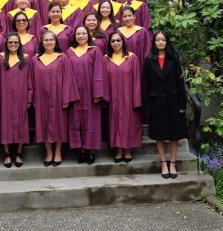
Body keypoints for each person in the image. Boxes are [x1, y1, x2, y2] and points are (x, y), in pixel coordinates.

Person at [142, 31, 188, 179]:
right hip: (156, 103)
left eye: (163, 40)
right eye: (157, 40)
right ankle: (163, 163)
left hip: (173, 101)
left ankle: (173, 163)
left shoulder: (174, 58)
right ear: (154, 42)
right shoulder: (149, 60)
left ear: (167, 42)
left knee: (175, 135)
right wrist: (147, 104)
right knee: (159, 135)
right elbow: (145, 84)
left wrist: (182, 102)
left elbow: (180, 81)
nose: (160, 42)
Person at [30, 31, 79, 166]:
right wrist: (32, 98)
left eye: (51, 40)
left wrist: (66, 98)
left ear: (55, 42)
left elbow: (68, 79)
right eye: (46, 40)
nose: (49, 42)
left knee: (59, 125)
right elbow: (31, 81)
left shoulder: (62, 58)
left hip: (58, 98)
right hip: (41, 99)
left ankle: (58, 152)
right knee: (44, 124)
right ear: (42, 42)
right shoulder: (35, 59)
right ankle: (48, 152)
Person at [0, 33, 31, 168]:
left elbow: (30, 80)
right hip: (4, 98)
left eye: (15, 42)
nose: (13, 44)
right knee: (5, 124)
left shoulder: (26, 59)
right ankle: (7, 154)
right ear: (6, 43)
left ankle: (19, 153)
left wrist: (29, 98)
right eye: (10, 42)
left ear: (20, 44)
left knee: (21, 124)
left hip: (21, 98)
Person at [103, 30, 142, 163]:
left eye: (118, 40)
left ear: (123, 42)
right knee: (114, 123)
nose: (115, 43)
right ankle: (118, 150)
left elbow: (136, 79)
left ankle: (128, 150)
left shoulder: (132, 58)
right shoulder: (106, 58)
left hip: (128, 97)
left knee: (129, 123)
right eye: (113, 41)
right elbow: (103, 80)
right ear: (109, 43)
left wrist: (136, 99)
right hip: (113, 98)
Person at [66, 26, 103, 163]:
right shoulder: (69, 52)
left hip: (90, 92)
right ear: (74, 36)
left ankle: (91, 151)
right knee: (77, 121)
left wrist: (98, 92)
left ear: (88, 35)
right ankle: (81, 151)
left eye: (83, 33)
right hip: (74, 92)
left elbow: (99, 72)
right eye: (78, 34)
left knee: (91, 122)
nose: (81, 36)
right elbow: (66, 74)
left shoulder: (94, 50)